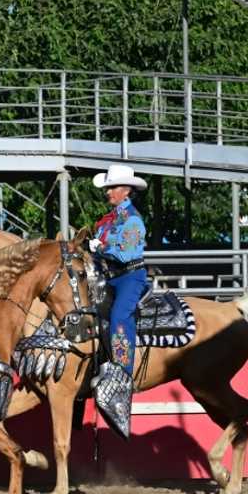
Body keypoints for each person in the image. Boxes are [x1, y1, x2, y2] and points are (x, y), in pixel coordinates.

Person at [89, 164, 148, 383]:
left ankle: (122, 371)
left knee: (120, 316)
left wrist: (101, 248)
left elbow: (127, 254)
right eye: (108, 187)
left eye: (113, 187)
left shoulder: (133, 219)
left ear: (126, 190)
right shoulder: (109, 220)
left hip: (129, 278)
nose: (108, 192)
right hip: (109, 277)